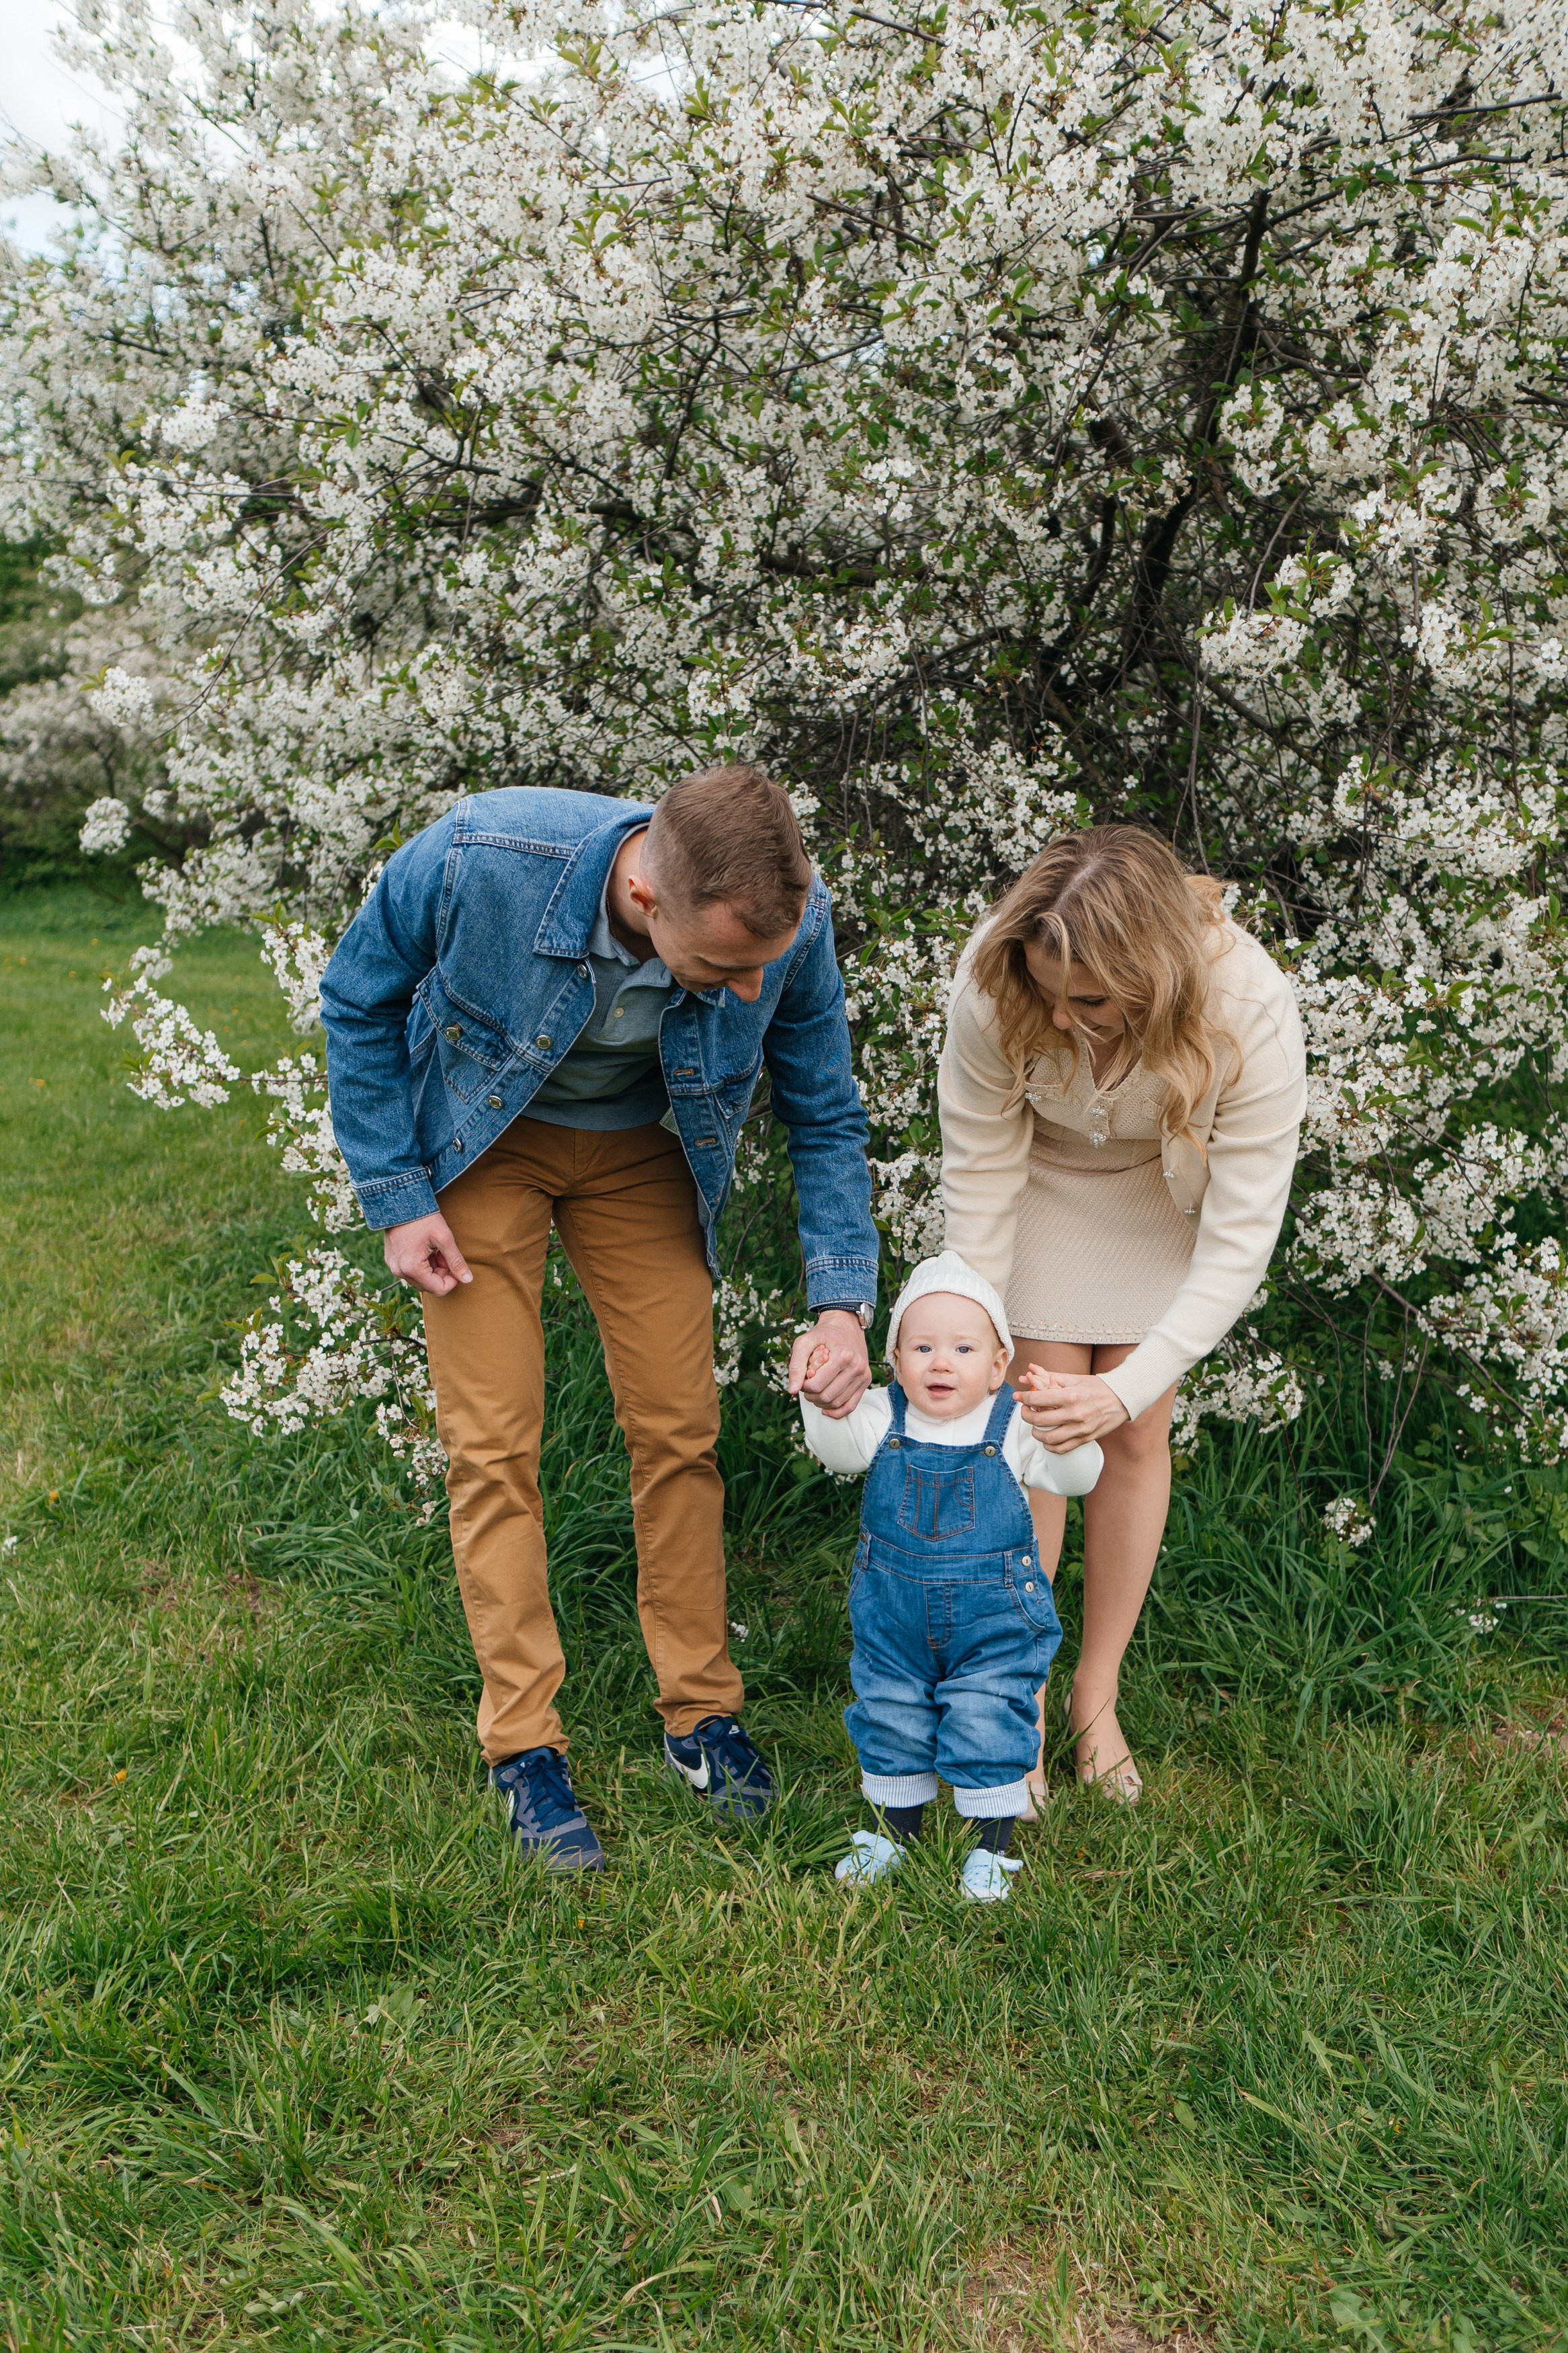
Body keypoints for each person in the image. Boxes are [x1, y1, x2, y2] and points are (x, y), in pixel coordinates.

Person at [319, 766, 878, 1872]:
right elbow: (358, 996)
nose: (738, 990)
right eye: (719, 966)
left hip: (643, 1153)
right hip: (487, 1141)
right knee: (493, 1444)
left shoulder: (784, 922)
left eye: (755, 967)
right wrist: (397, 1198)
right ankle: (523, 1744)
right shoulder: (484, 856)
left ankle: (701, 1715)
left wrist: (842, 1303)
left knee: (680, 1430)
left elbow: (821, 1105)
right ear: (642, 899)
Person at [938, 826, 1307, 1807]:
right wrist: (975, 1322)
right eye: (1047, 991)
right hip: (1041, 1186)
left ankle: (1094, 1698)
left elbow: (1240, 1239)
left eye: (1091, 1001)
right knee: (1038, 1429)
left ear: (1153, 975)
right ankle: (1018, 1693)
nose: (1062, 1016)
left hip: (1161, 1192)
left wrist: (1127, 1385)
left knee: (1134, 1429)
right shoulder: (995, 982)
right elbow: (977, 1171)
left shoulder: (1249, 1007)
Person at [798, 1252, 1102, 1902]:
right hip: (893, 1614)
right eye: (922, 1346)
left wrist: (1066, 1432)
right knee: (890, 1710)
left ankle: (993, 1850)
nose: (941, 1362)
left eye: (963, 1348)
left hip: (992, 1617)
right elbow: (838, 1452)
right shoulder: (883, 1416)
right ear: (895, 1361)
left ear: (998, 1366)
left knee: (990, 1712)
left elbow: (1075, 1481)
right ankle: (890, 1831)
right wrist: (818, 1396)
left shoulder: (1015, 1424)